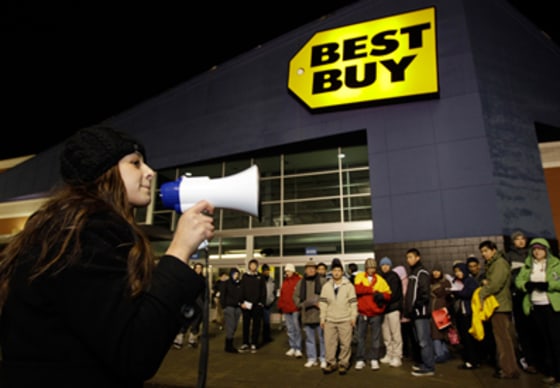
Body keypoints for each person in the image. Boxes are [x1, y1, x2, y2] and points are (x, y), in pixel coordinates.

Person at [0, 125, 215, 387]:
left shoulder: (71, 230)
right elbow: (135, 352)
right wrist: (179, 250)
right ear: (103, 172)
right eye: (135, 163)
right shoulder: (82, 237)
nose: (150, 173)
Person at [515, 238, 560, 385]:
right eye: (534, 249)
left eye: (540, 249)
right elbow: (519, 281)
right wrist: (526, 285)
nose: (537, 251)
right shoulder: (528, 266)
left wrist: (548, 285)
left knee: (556, 340)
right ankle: (551, 372)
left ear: (546, 250)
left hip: (551, 306)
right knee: (543, 340)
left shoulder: (555, 264)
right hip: (535, 306)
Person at [478, 240, 521, 379]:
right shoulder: (493, 264)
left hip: (500, 306)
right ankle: (507, 367)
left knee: (503, 339)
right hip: (497, 305)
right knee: (501, 338)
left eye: (486, 251)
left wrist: (482, 292)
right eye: (482, 252)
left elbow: (495, 284)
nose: (484, 254)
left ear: (494, 250)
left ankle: (509, 369)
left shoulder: (499, 263)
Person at [320, 258, 358, 375]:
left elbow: (353, 303)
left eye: (339, 270)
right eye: (334, 270)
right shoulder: (326, 286)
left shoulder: (349, 285)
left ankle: (343, 363)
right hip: (330, 319)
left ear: (342, 272)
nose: (336, 272)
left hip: (345, 319)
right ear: (332, 272)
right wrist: (322, 318)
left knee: (345, 344)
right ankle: (331, 363)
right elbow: (323, 303)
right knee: (329, 343)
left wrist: (353, 317)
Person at [353, 257, 391, 371]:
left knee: (375, 338)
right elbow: (357, 289)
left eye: (373, 267)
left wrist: (382, 296)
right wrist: (372, 290)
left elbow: (388, 294)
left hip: (376, 313)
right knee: (360, 337)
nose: (371, 269)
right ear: (366, 267)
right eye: (369, 267)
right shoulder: (359, 276)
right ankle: (360, 359)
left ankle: (374, 359)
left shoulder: (380, 279)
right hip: (363, 312)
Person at [403, 248, 435, 377]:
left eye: (411, 257)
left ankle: (429, 367)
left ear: (418, 257)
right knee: (419, 341)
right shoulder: (413, 273)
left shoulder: (422, 272)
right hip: (414, 314)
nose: (408, 260)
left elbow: (424, 294)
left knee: (424, 341)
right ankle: (424, 363)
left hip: (421, 313)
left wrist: (416, 307)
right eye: (407, 257)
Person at [293, 259, 327, 368]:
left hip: (320, 314)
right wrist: (302, 305)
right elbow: (295, 296)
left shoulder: (322, 281)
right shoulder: (300, 282)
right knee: (309, 338)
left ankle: (323, 358)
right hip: (306, 314)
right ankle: (312, 358)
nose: (311, 270)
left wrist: (321, 303)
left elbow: (328, 296)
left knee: (322, 338)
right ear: (305, 270)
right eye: (309, 268)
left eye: (313, 268)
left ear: (316, 270)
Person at [449, 262, 480, 370]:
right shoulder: (458, 282)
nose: (457, 273)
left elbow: (468, 293)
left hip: (469, 313)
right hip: (461, 313)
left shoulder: (470, 281)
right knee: (464, 337)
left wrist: (456, 292)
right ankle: (469, 359)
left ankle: (473, 360)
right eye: (456, 271)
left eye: (459, 271)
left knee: (469, 338)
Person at [173, 261, 205, 349]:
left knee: (196, 321)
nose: (198, 270)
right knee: (185, 319)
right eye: (197, 268)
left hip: (199, 303)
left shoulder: (203, 280)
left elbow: (204, 293)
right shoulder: (189, 278)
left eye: (200, 268)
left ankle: (192, 339)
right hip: (189, 302)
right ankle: (179, 339)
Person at [378, 256, 404, 367]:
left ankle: (397, 356)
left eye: (387, 265)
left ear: (390, 266)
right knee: (386, 335)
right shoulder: (379, 277)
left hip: (393, 308)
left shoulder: (394, 277)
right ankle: (389, 354)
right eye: (383, 265)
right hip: (384, 310)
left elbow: (394, 294)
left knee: (395, 334)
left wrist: (380, 297)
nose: (385, 267)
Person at [239, 258, 266, 353]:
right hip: (246, 304)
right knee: (245, 325)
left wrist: (261, 303)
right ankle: (245, 343)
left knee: (256, 325)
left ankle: (254, 343)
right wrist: (241, 302)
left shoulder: (260, 277)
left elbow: (263, 291)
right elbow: (241, 290)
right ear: (249, 266)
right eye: (251, 265)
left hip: (257, 305)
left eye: (255, 265)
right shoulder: (245, 276)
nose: (253, 267)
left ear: (257, 266)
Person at [277, 263, 303, 358]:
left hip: (295, 308)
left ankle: (298, 348)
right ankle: (292, 347)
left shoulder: (299, 280)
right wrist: (280, 306)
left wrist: (300, 305)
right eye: (286, 271)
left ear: (292, 271)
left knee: (296, 329)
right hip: (286, 309)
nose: (286, 273)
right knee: (290, 329)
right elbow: (282, 295)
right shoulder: (285, 282)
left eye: (288, 271)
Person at [429, 262, 452, 363]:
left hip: (441, 311)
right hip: (434, 311)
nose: (435, 273)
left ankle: (439, 354)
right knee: (437, 333)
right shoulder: (431, 282)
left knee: (439, 333)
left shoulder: (445, 283)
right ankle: (443, 353)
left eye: (437, 271)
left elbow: (447, 295)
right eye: (434, 270)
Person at [221, 267, 243, 354]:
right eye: (234, 274)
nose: (236, 276)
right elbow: (223, 295)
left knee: (234, 326)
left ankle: (229, 343)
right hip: (229, 307)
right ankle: (229, 345)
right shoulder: (226, 283)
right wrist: (224, 306)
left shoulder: (239, 284)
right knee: (231, 325)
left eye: (237, 274)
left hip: (237, 307)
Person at [260, 263, 277, 346]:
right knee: (261, 322)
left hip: (269, 303)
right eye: (265, 270)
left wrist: (273, 300)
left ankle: (267, 337)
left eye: (268, 270)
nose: (267, 272)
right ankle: (262, 338)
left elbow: (274, 291)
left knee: (267, 321)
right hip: (261, 304)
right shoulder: (259, 279)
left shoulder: (272, 280)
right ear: (262, 271)